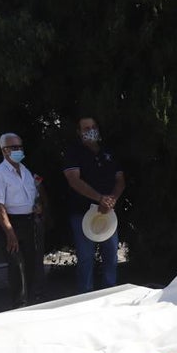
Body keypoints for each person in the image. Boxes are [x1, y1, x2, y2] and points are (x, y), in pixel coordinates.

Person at [64, 116, 125, 292]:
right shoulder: (74, 152)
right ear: (79, 132)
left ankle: (109, 291)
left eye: (93, 126)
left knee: (111, 253)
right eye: (86, 128)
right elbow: (73, 180)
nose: (90, 130)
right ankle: (86, 295)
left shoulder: (108, 151)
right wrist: (99, 198)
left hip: (107, 212)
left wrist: (111, 199)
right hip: (82, 212)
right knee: (85, 257)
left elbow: (120, 179)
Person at [0, 132, 45, 307]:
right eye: (14, 147)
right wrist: (10, 232)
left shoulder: (25, 171)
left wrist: (37, 206)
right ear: (4, 150)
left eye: (20, 147)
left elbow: (33, 194)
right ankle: (19, 304)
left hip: (29, 222)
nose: (18, 150)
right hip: (11, 224)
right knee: (16, 266)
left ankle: (31, 299)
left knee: (30, 263)